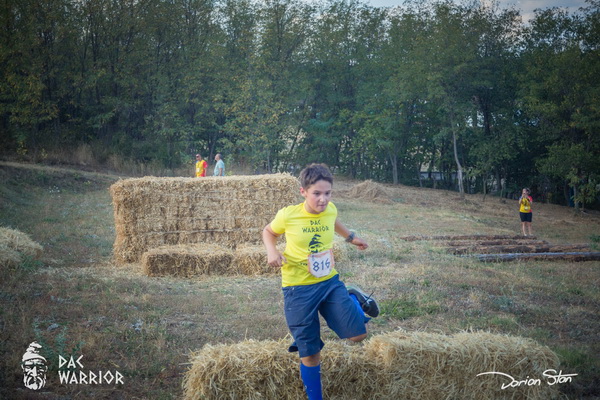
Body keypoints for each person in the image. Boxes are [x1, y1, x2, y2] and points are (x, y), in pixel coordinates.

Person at [262, 163, 379, 400]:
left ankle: (353, 298)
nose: (323, 199)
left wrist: (352, 238)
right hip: (297, 288)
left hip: (328, 283)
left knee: (358, 335)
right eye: (316, 193)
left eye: (327, 193)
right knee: (310, 352)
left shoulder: (330, 209)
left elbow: (334, 221)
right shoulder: (289, 215)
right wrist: (272, 251)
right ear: (303, 192)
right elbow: (269, 232)